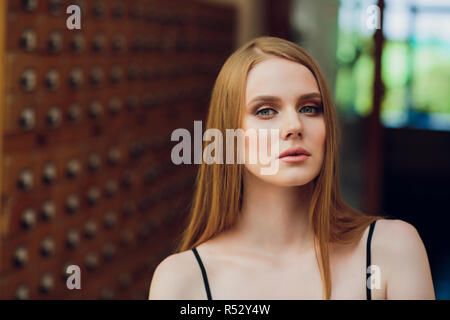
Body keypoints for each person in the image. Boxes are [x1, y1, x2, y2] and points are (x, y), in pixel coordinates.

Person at [148, 36, 435, 300]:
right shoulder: (183, 281)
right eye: (265, 111)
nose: (294, 127)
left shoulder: (390, 250)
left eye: (309, 108)